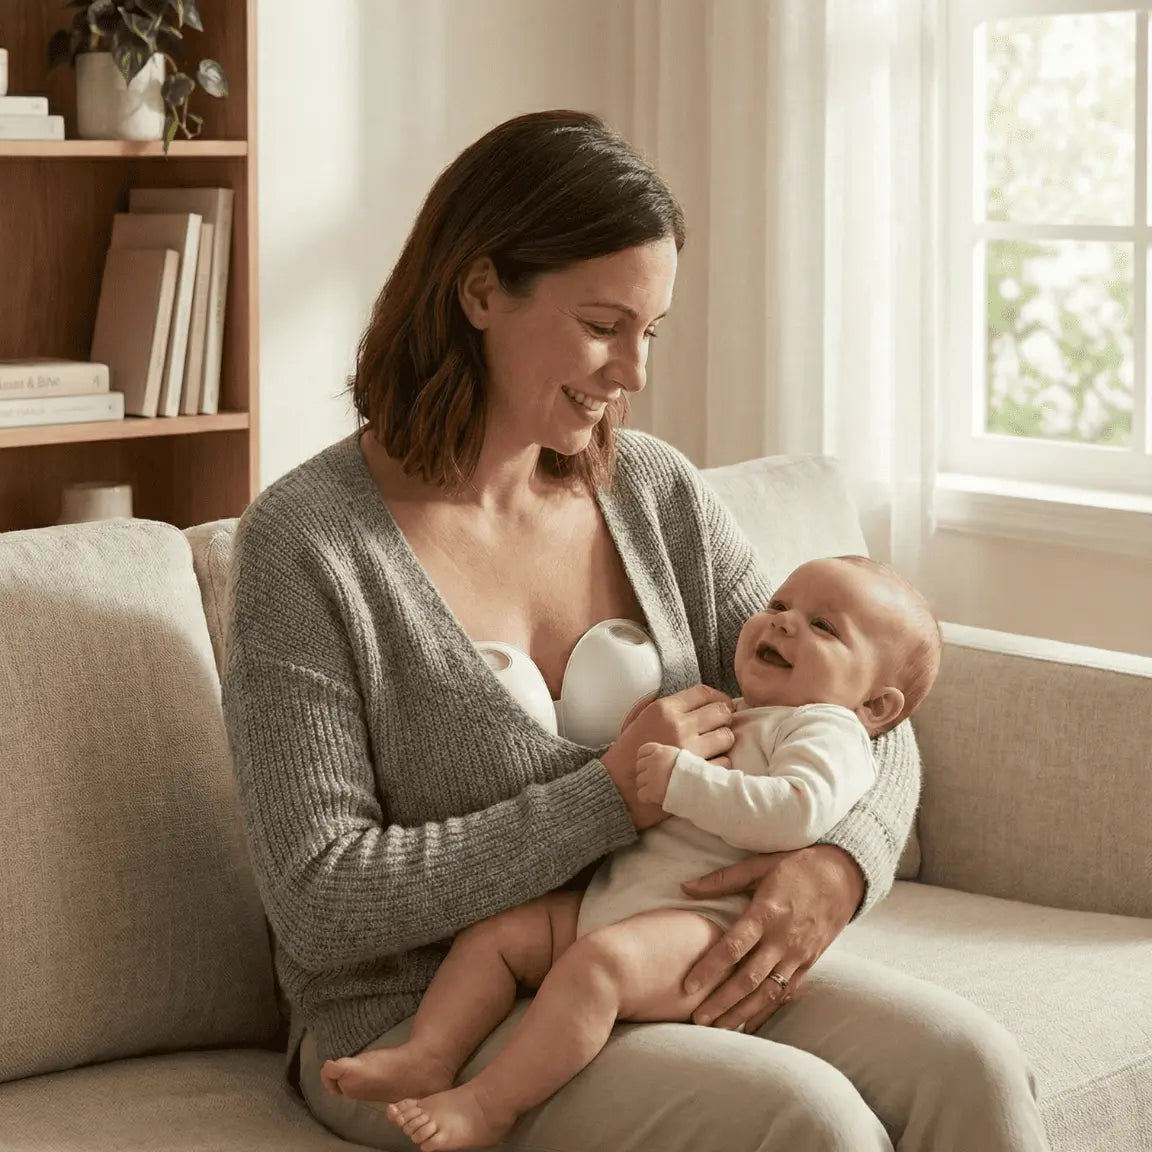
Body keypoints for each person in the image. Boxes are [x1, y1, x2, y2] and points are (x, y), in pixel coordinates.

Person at [221, 109, 1051, 1151]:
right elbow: (319, 900)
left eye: (649, 332)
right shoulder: (308, 545)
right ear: (480, 291)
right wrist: (606, 799)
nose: (634, 373)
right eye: (604, 325)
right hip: (419, 1025)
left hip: (657, 950)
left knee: (971, 1067)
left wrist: (835, 866)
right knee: (809, 1124)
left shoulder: (653, 491)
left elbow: (863, 714)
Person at [316, 555, 943, 1152]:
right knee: (499, 938)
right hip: (619, 904)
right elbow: (318, 889)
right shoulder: (758, 712)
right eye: (780, 604)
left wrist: (832, 860)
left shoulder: (825, 728)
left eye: (823, 626)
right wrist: (622, 769)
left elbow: (798, 807)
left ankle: (486, 1105)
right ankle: (429, 1053)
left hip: (703, 930)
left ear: (873, 708)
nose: (781, 620)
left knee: (601, 968)